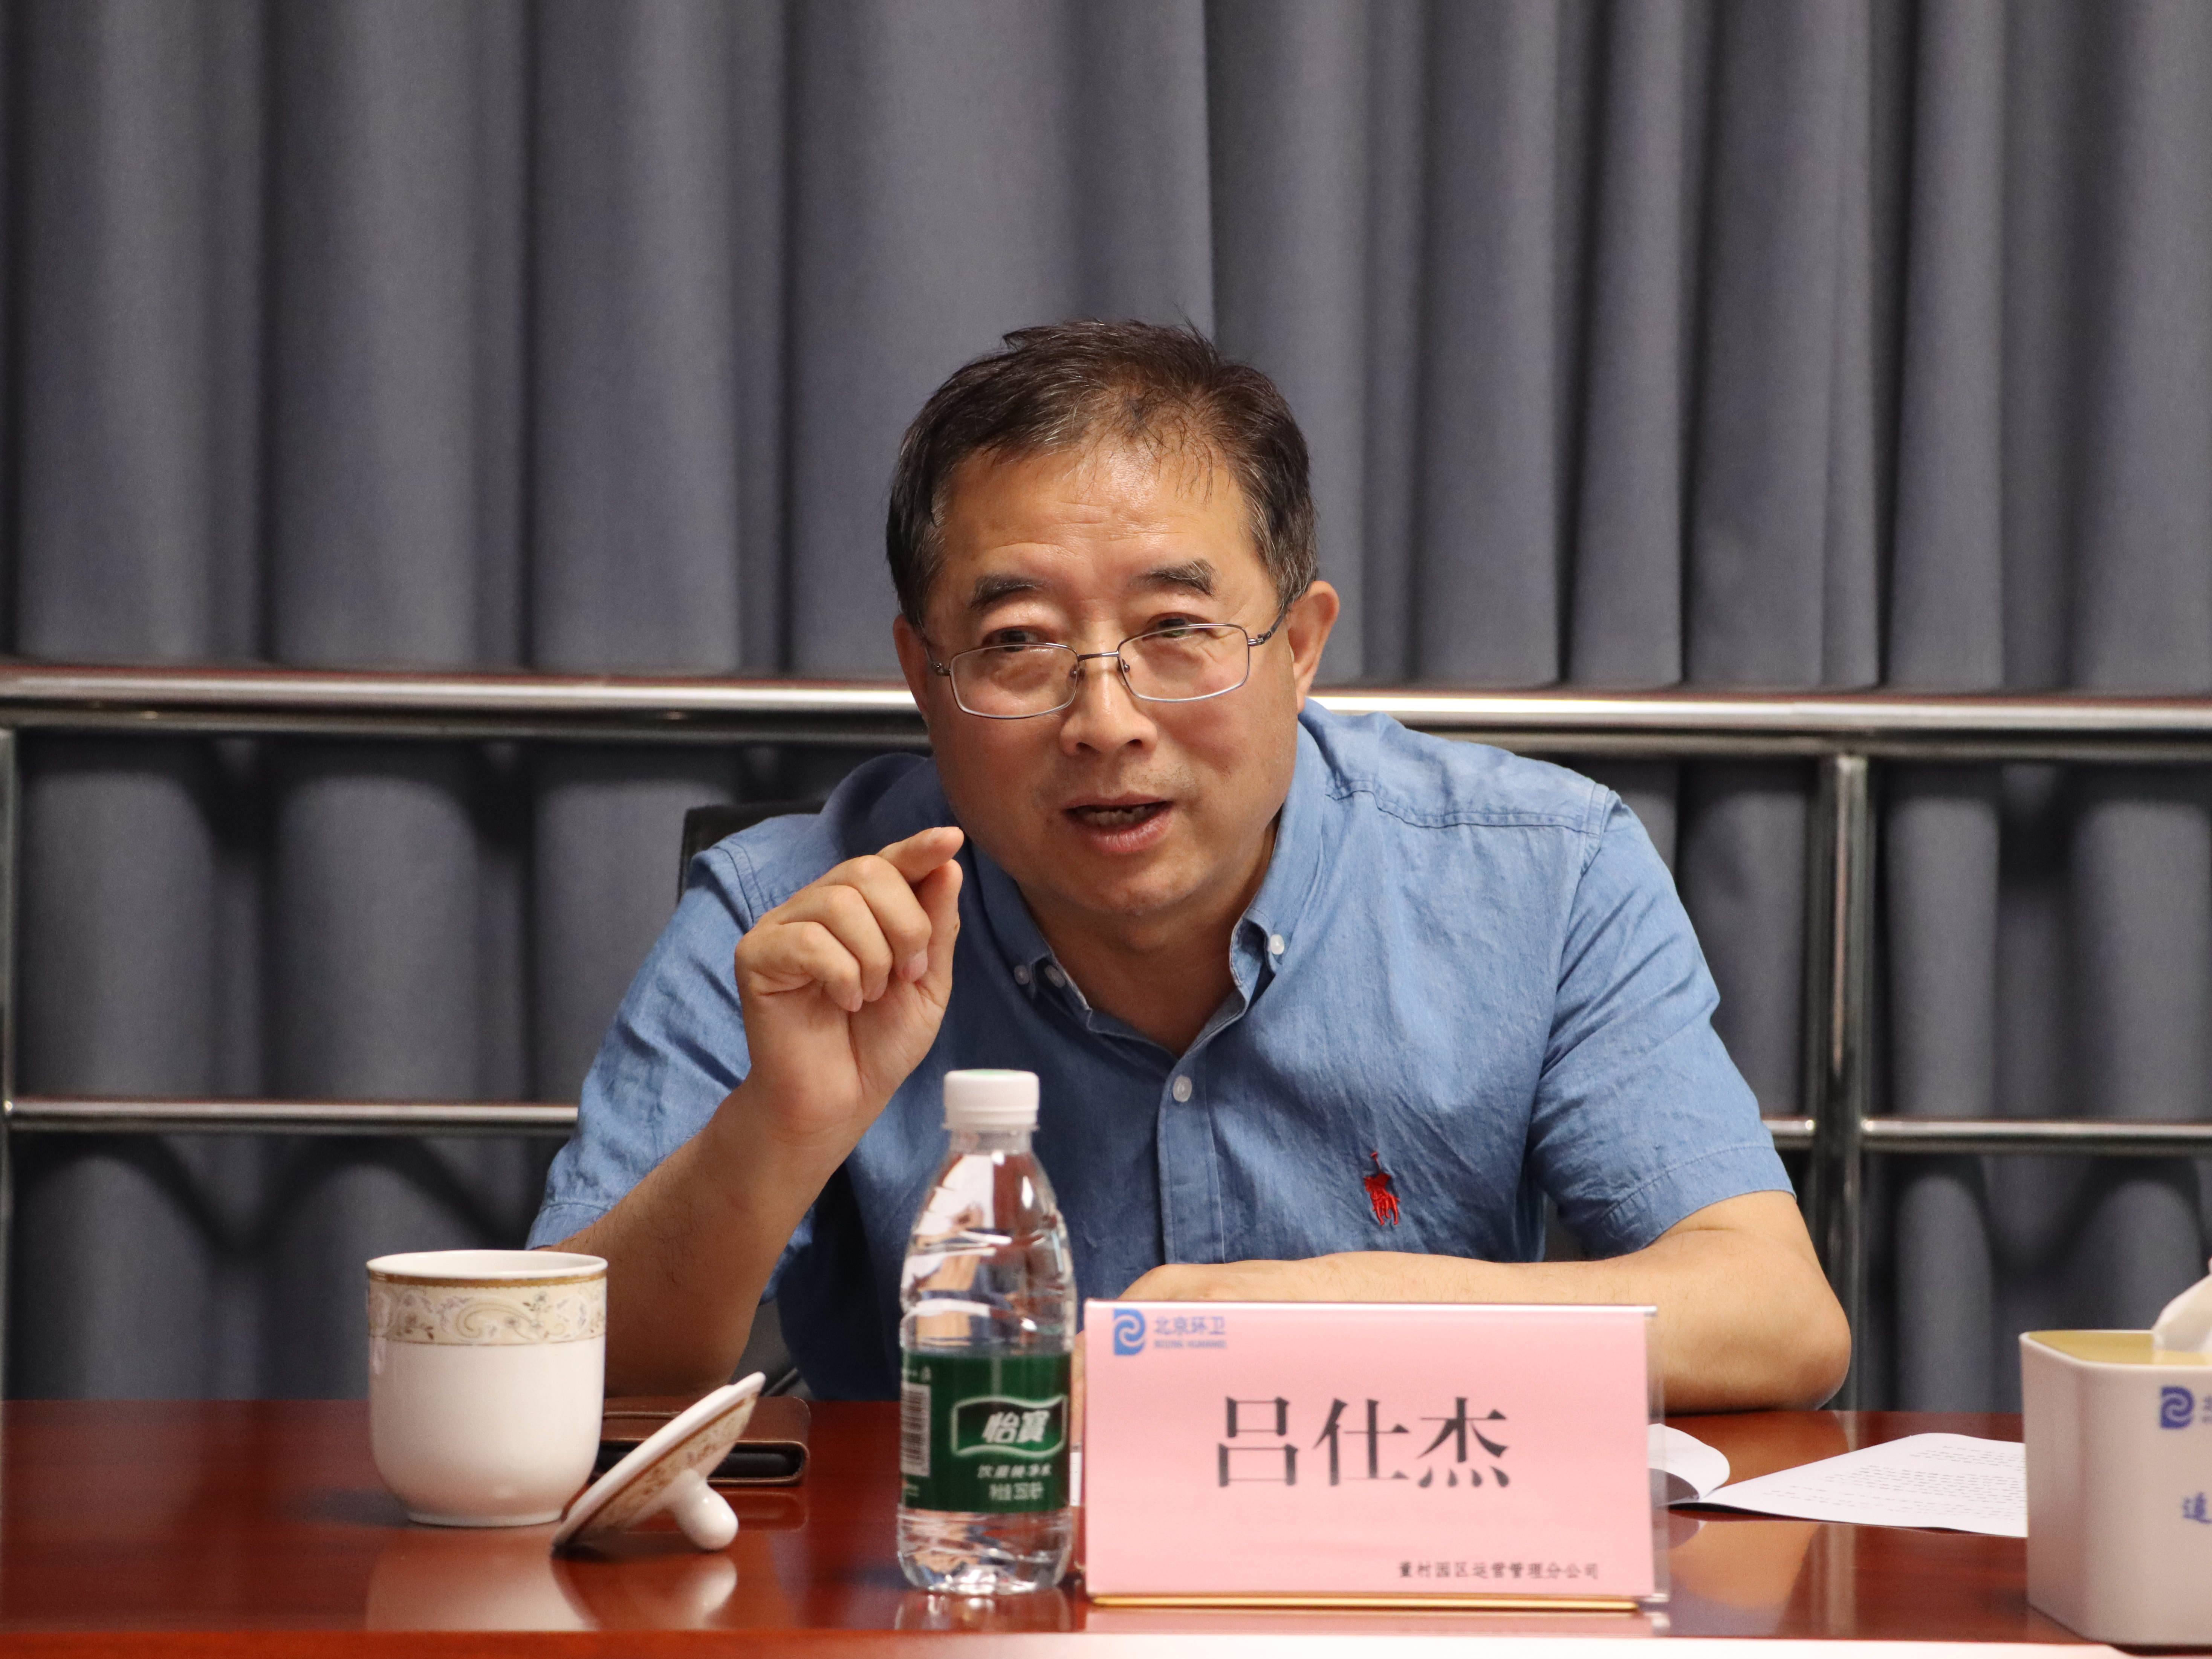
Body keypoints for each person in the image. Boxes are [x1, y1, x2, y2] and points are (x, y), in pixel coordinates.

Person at [530, 320, 1851, 1413]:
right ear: (925, 678)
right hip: (963, 1582)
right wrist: (778, 1128)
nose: (1105, 720)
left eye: (1177, 627)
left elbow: (1776, 1316)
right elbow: (561, 1373)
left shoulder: (1541, 875)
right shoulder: (793, 920)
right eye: (1019, 642)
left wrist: (1296, 1323)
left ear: (1301, 646)